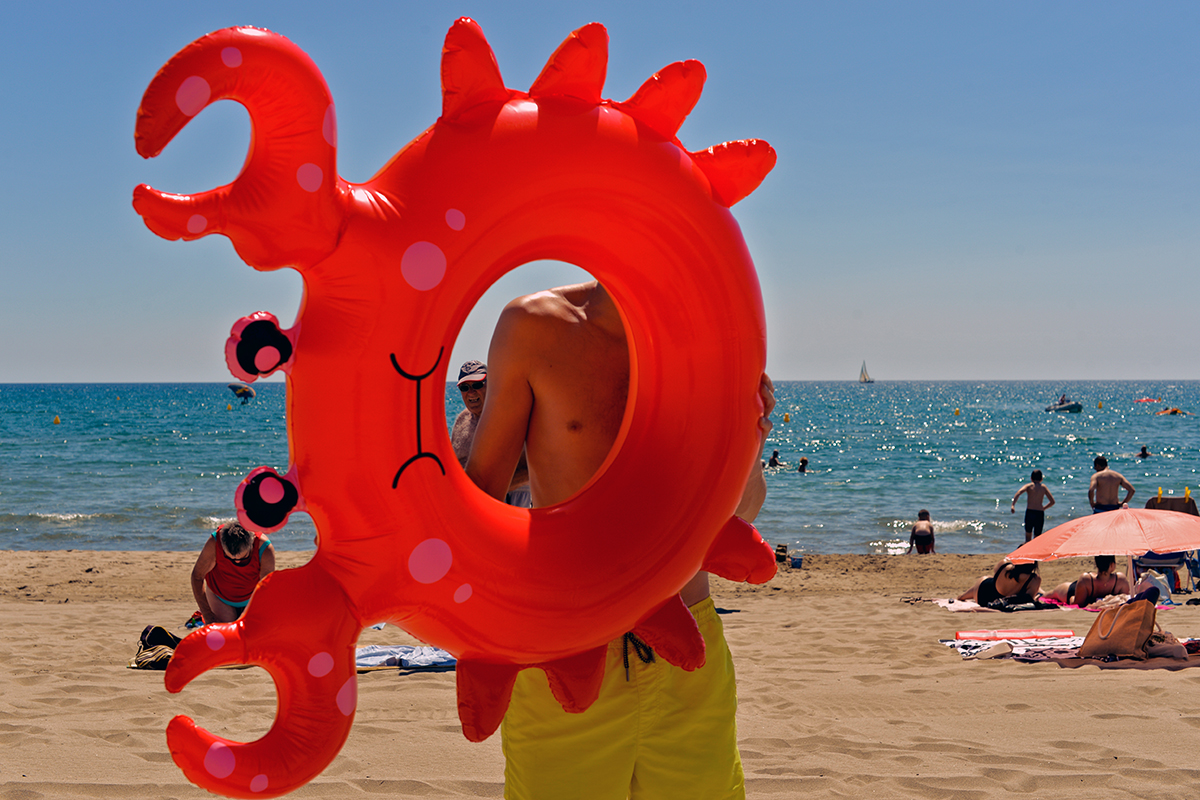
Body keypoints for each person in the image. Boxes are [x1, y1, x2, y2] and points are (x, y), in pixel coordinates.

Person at [465, 279, 772, 800]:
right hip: (566, 647)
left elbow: (741, 509)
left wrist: (749, 442)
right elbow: (480, 501)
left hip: (688, 647)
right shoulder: (536, 325)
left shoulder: (710, 338)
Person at [450, 359, 531, 507]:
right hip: (470, 503)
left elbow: (532, 470)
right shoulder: (461, 421)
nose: (471, 392)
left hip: (512, 500)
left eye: (477, 385)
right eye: (464, 387)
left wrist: (487, 491)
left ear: (492, 383)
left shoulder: (514, 419)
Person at [190, 521, 275, 624]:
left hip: (251, 599)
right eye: (229, 558)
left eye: (244, 558)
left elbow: (265, 589)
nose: (237, 562)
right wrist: (207, 613)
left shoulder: (265, 548)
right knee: (225, 633)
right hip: (220, 596)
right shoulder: (215, 542)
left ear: (251, 544)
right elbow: (197, 577)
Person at [1041, 556, 1130, 606]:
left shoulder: (1120, 579)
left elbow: (1125, 601)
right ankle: (1039, 593)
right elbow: (1075, 603)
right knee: (1048, 595)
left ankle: (1039, 591)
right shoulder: (1120, 580)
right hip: (1073, 590)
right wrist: (1072, 598)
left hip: (1085, 587)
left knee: (1050, 594)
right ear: (1112, 565)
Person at [958, 559, 1042, 606]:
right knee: (991, 581)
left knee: (989, 579)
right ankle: (962, 596)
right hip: (992, 601)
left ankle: (962, 596)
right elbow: (1028, 598)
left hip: (981, 593)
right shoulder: (1034, 579)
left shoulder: (1004, 564)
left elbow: (996, 575)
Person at [1010, 469, 1056, 543]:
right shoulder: (1043, 487)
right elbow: (1052, 502)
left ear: (1031, 478)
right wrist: (1044, 508)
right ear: (1041, 479)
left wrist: (1013, 505)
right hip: (1039, 513)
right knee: (1037, 538)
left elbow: (1019, 492)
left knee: (1028, 537)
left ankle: (1027, 553)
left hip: (1030, 513)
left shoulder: (1029, 486)